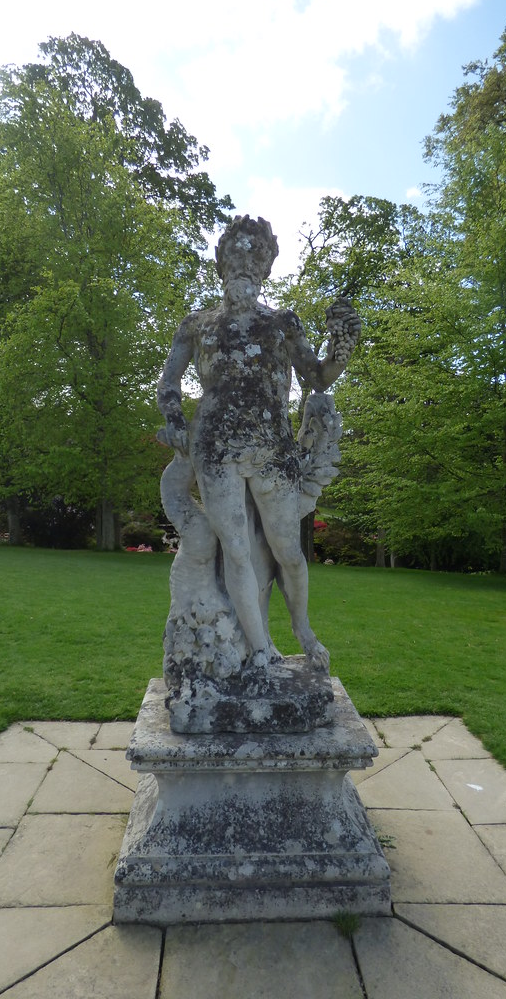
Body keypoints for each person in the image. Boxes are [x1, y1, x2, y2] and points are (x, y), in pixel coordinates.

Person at [157, 215, 360, 673]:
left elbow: (317, 377)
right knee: (237, 550)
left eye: (256, 258)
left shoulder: (282, 323)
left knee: (288, 550)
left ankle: (303, 629)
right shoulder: (198, 325)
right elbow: (168, 383)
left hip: (273, 448)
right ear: (222, 264)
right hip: (215, 446)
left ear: (267, 268)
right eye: (236, 257)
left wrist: (342, 350)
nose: (245, 267)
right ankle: (261, 649)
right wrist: (173, 421)